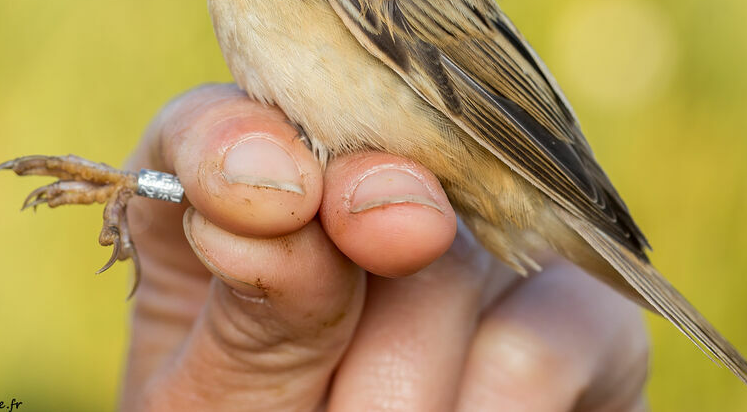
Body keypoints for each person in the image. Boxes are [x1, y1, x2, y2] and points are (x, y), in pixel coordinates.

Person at [119, 85, 649, 410]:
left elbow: (463, 75)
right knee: (267, 189)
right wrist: (141, 185)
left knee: (278, 192)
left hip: (490, 154)